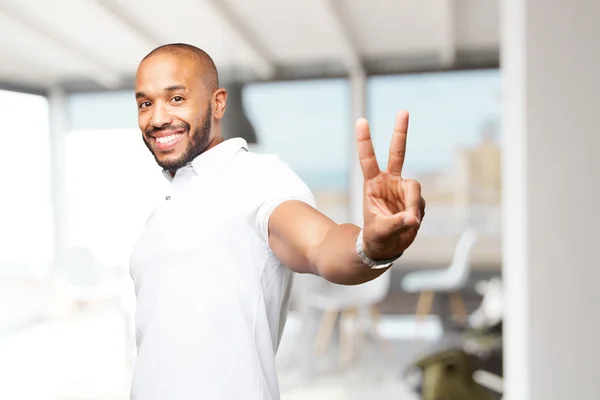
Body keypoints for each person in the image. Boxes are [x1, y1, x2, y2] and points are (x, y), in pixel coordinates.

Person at [129, 43, 426, 400]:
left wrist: (370, 245)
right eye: (145, 103)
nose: (157, 117)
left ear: (218, 102)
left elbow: (321, 246)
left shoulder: (258, 178)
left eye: (176, 99)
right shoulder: (161, 211)